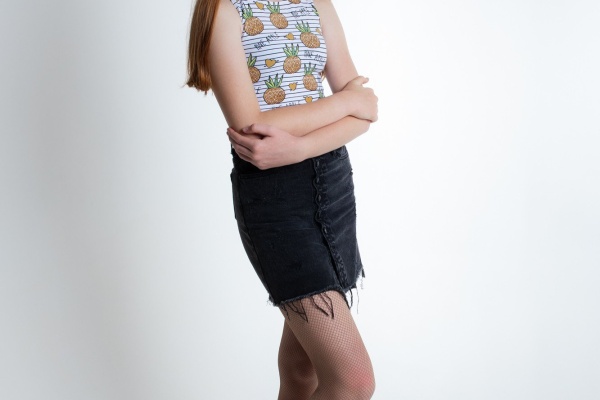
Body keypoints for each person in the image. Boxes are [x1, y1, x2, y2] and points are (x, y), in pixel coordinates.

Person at [187, 0, 378, 398]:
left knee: (301, 369)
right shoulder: (224, 11)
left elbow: (365, 114)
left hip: (334, 188)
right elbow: (251, 124)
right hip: (276, 200)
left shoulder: (316, 4)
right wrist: (345, 103)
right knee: (353, 381)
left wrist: (299, 147)